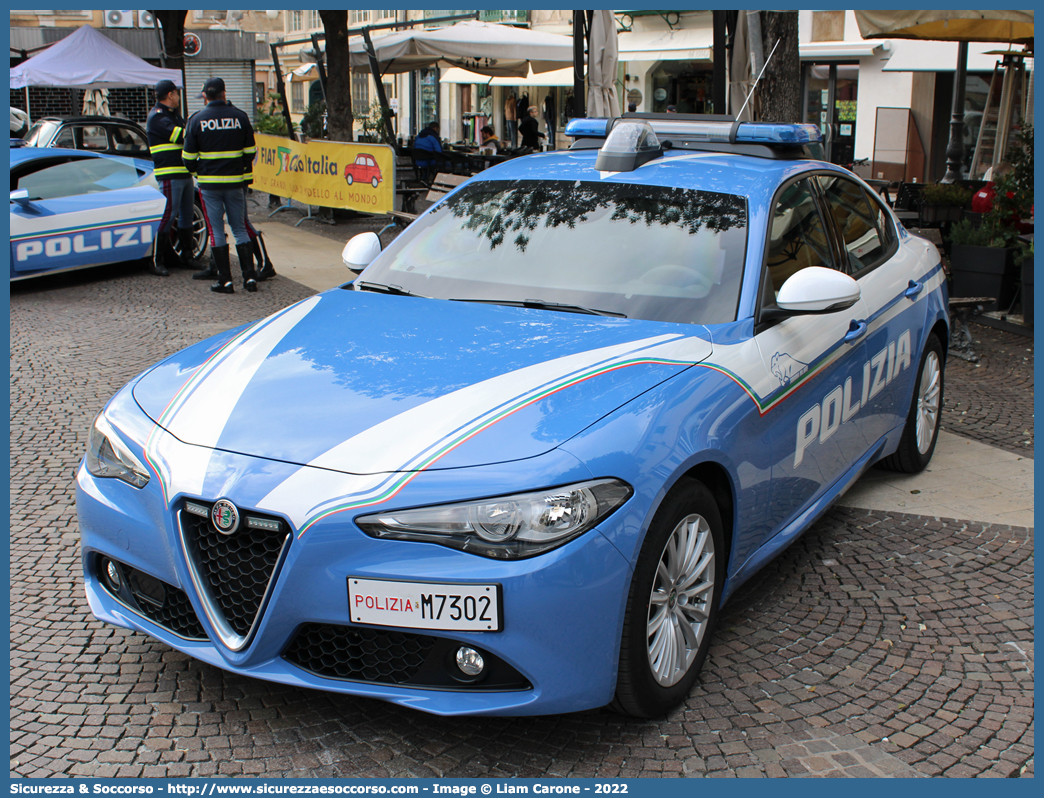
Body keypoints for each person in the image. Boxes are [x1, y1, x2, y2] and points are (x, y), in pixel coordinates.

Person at [183, 77, 258, 294]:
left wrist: (202, 173)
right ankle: (250, 278)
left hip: (210, 186)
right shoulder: (240, 117)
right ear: (224, 93)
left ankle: (225, 281)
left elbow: (188, 159)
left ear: (205, 96)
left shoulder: (196, 120)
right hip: (235, 184)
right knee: (240, 228)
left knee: (216, 230)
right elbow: (250, 153)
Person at [145, 79, 194, 276]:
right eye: (176, 94)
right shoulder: (158, 117)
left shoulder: (174, 115)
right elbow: (181, 136)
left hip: (184, 172)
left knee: (187, 216)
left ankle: (186, 256)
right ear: (170, 95)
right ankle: (156, 259)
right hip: (169, 173)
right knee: (168, 216)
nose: (178, 98)